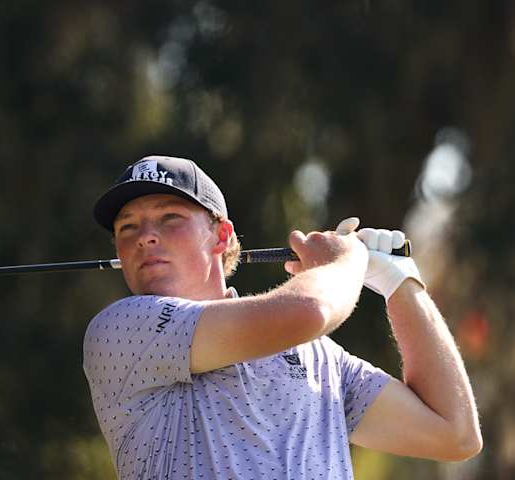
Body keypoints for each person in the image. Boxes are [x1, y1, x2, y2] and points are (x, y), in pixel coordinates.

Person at [83, 155, 482, 479]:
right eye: (127, 227)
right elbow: (311, 310)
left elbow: (455, 434)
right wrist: (349, 262)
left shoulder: (317, 357)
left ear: (220, 237)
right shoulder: (121, 330)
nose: (145, 236)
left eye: (170, 218)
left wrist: (399, 282)